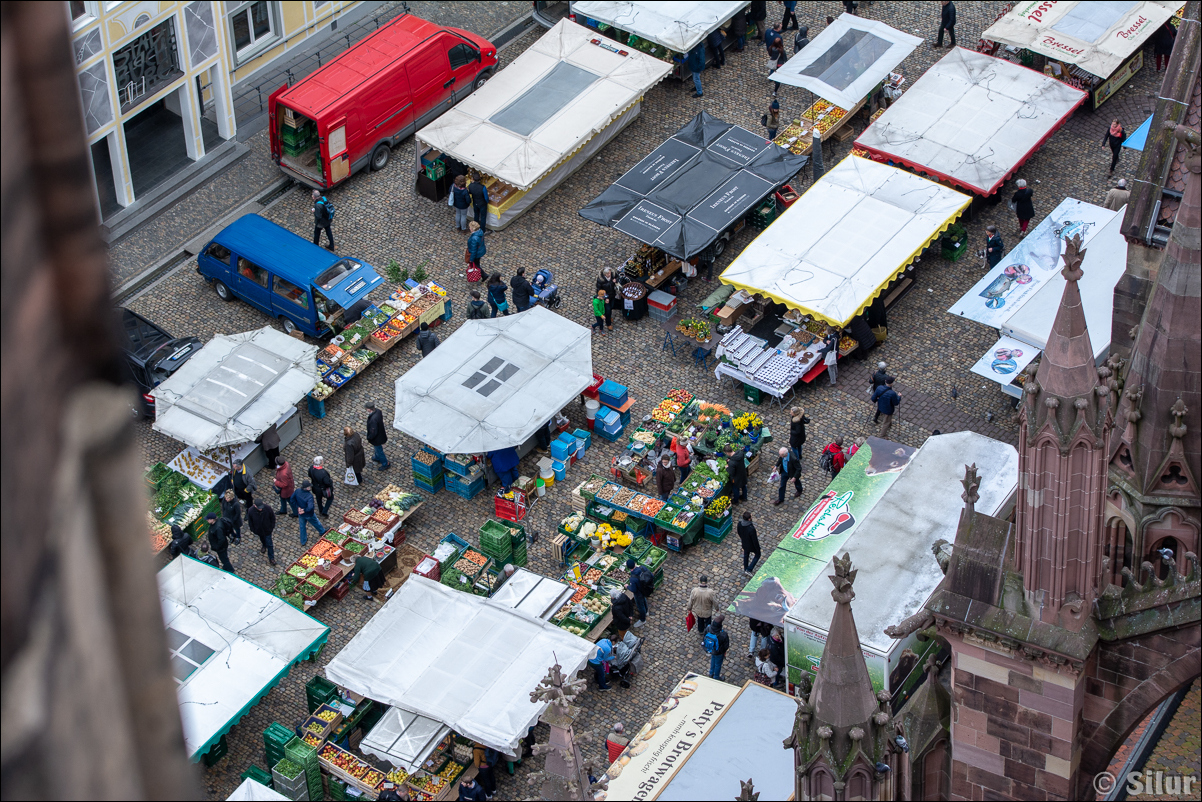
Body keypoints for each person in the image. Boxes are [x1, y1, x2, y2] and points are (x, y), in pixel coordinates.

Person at [294, 480, 325, 546]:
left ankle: (303, 541)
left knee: (302, 527)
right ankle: (322, 531)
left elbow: (292, 499)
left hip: (301, 514)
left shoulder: (297, 491)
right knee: (315, 522)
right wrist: (304, 510)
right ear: (307, 488)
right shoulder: (309, 496)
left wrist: (298, 507)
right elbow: (310, 507)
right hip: (308, 514)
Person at [247, 496, 277, 565]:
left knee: (270, 544)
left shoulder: (267, 508)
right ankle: (264, 545)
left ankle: (271, 558)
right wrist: (253, 530)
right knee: (262, 539)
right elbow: (250, 521)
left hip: (267, 530)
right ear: (255, 506)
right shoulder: (251, 511)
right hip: (259, 530)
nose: (261, 509)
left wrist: (271, 527)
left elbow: (272, 518)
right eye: (259, 508)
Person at [686, 575, 717, 641]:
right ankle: (707, 632)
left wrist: (689, 608)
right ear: (706, 582)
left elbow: (690, 600)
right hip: (707, 611)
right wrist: (717, 608)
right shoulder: (710, 592)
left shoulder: (695, 591)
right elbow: (715, 601)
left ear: (700, 582)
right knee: (708, 622)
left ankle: (701, 630)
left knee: (700, 620)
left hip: (698, 611)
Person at [626, 557, 654, 626]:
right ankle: (646, 611)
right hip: (645, 589)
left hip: (638, 593)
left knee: (640, 606)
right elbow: (651, 575)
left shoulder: (632, 578)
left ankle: (642, 619)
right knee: (644, 600)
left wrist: (627, 586)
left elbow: (634, 589)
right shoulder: (642, 568)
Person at [703, 615, 730, 680]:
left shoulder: (708, 628)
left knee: (713, 660)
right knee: (718, 664)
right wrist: (724, 652)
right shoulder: (723, 634)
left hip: (711, 649)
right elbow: (726, 645)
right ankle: (716, 677)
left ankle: (711, 673)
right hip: (719, 652)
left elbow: (704, 636)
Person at [365, 401, 390, 470]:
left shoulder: (373, 419)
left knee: (379, 450)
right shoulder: (378, 411)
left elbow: (373, 432)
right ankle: (377, 457)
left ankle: (385, 464)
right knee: (377, 449)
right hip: (380, 434)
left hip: (377, 438)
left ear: (369, 409)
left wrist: (369, 437)